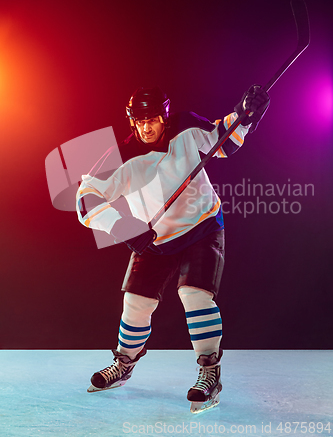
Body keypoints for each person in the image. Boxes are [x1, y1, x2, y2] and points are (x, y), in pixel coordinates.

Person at [76, 85, 270, 412]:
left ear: (164, 117)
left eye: (152, 119)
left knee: (194, 295)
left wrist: (246, 113)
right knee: (135, 302)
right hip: (155, 237)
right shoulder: (121, 156)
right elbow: (85, 197)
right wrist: (123, 227)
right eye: (139, 121)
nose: (146, 127)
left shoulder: (187, 128)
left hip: (203, 226)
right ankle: (125, 363)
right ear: (131, 122)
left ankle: (210, 371)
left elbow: (225, 140)